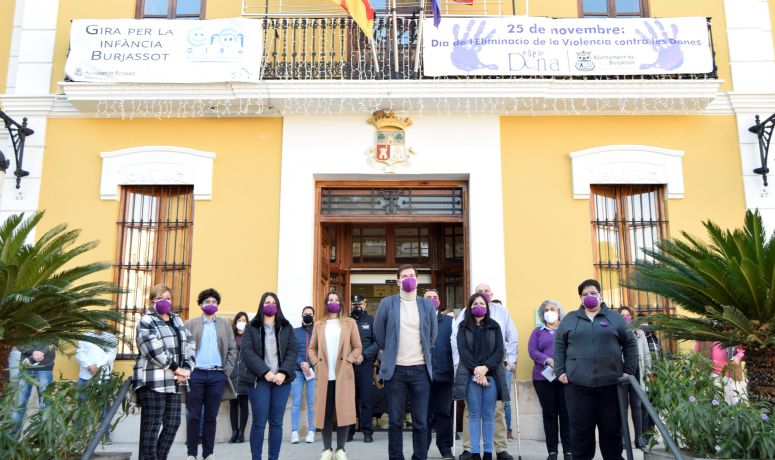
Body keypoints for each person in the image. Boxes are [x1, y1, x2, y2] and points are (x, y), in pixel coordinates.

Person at [554, 279, 638, 460]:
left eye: (593, 293)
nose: (589, 297)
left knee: (611, 432)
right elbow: (559, 345)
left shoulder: (615, 318)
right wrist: (560, 371)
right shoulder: (570, 319)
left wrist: (628, 371)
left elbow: (630, 344)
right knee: (580, 434)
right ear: (580, 298)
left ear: (600, 295)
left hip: (611, 387)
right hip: (578, 387)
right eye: (585, 294)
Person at [374, 263, 438, 460]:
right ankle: (396, 457)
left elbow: (432, 336)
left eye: (412, 275)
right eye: (404, 276)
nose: (409, 278)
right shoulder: (387, 303)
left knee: (420, 421)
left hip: (420, 369)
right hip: (396, 370)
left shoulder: (426, 305)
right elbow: (379, 333)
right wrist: (391, 349)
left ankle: (419, 457)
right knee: (395, 421)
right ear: (398, 281)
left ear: (417, 280)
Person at [453, 283, 517, 460]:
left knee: (492, 413)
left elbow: (499, 351)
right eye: (475, 303)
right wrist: (477, 370)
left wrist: (485, 368)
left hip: (493, 374)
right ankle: (473, 452)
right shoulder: (463, 327)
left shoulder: (495, 325)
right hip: (471, 374)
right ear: (470, 306)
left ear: (487, 306)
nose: (479, 306)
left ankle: (491, 452)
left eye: (482, 303)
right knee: (472, 414)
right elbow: (463, 350)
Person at [133, 283, 195, 460]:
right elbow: (152, 349)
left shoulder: (177, 320)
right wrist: (177, 368)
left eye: (168, 298)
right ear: (152, 300)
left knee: (173, 423)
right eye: (160, 298)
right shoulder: (147, 321)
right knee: (152, 426)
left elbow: (189, 343)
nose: (165, 302)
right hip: (152, 380)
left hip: (173, 382)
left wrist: (187, 368)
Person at [241, 292, 298, 460]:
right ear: (262, 305)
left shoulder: (286, 326)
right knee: (259, 422)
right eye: (267, 302)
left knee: (276, 423)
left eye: (273, 302)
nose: (270, 305)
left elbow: (293, 351)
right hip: (259, 380)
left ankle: (273, 458)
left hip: (282, 381)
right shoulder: (252, 326)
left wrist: (283, 372)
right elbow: (246, 351)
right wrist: (265, 371)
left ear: (278, 306)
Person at [309, 290, 363, 460]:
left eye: (336, 299)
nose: (333, 302)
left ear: (341, 303)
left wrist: (349, 360)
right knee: (325, 413)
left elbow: (358, 347)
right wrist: (316, 362)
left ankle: (341, 449)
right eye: (330, 300)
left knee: (343, 412)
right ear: (326, 303)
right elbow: (312, 348)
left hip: (343, 375)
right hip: (325, 375)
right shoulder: (319, 324)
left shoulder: (350, 323)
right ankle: (326, 450)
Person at [184, 288, 237, 460]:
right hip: (196, 375)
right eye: (207, 301)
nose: (211, 304)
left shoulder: (224, 324)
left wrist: (226, 371)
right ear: (200, 305)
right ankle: (191, 453)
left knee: (211, 416)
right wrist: (187, 370)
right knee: (193, 416)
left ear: (218, 305)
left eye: (214, 302)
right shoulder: (190, 324)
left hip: (217, 375)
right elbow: (183, 349)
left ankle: (208, 453)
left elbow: (232, 348)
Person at [528, 300, 571, 460]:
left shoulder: (566, 330)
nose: (549, 311)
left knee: (566, 414)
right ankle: (552, 452)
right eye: (546, 309)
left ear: (559, 312)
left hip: (565, 377)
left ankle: (568, 451)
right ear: (542, 314)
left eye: (552, 309)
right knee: (549, 414)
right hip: (542, 378)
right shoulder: (537, 332)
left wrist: (561, 361)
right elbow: (532, 351)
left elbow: (572, 348)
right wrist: (547, 360)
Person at [424, 289, 455, 459]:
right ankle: (422, 448)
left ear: (439, 301)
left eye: (435, 297)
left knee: (444, 413)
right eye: (428, 297)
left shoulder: (450, 322)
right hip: (423, 376)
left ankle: (445, 447)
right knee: (423, 414)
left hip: (445, 374)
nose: (432, 300)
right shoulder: (417, 320)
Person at [75, 329, 118, 444]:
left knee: (104, 409)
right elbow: (79, 353)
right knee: (81, 407)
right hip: (85, 378)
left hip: (104, 378)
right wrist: (88, 365)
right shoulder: (85, 335)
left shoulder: (111, 338)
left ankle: (104, 436)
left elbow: (111, 355)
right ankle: (79, 436)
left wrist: (97, 366)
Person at [618, 306, 651, 449]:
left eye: (627, 314)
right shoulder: (617, 332)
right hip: (622, 372)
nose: (625, 317)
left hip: (638, 372)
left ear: (632, 316)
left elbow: (646, 353)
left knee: (637, 405)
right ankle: (624, 438)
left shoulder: (639, 333)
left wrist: (649, 372)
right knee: (623, 406)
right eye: (622, 315)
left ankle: (639, 438)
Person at [349, 294, 379, 443]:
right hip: (348, 365)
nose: (357, 307)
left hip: (365, 365)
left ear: (365, 304)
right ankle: (349, 431)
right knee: (349, 400)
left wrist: (364, 356)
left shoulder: (371, 321)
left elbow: (377, 343)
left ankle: (367, 431)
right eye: (354, 304)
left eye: (359, 304)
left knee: (366, 399)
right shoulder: (346, 321)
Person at [12, 339, 58, 435]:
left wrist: (35, 357)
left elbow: (54, 343)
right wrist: (33, 352)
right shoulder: (24, 324)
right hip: (26, 368)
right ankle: (12, 439)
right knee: (19, 404)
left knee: (45, 406)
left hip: (45, 369)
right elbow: (18, 341)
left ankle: (44, 439)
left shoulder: (53, 324)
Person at [291, 306, 317, 444]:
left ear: (314, 316)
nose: (308, 315)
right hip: (297, 371)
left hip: (312, 372)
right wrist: (302, 363)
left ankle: (312, 431)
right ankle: (294, 432)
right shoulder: (295, 332)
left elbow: (319, 351)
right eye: (305, 314)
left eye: (310, 314)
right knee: (296, 402)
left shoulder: (317, 332)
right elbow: (293, 350)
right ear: (302, 316)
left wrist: (310, 365)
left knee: (311, 403)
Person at [229, 311, 250, 443]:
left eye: (244, 320)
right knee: (233, 405)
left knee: (244, 404)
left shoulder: (250, 338)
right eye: (239, 320)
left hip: (245, 374)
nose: (241, 322)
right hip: (232, 375)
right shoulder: (231, 337)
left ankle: (241, 432)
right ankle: (234, 432)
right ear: (236, 322)